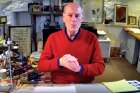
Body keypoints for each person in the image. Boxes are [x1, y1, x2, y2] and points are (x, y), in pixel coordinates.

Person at [38, 3, 105, 84]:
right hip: (59, 85)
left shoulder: (92, 38)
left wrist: (80, 68)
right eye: (70, 15)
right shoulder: (53, 38)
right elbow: (41, 65)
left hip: (83, 85)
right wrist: (60, 62)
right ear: (63, 18)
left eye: (77, 16)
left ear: (82, 19)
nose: (73, 19)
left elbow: (100, 67)